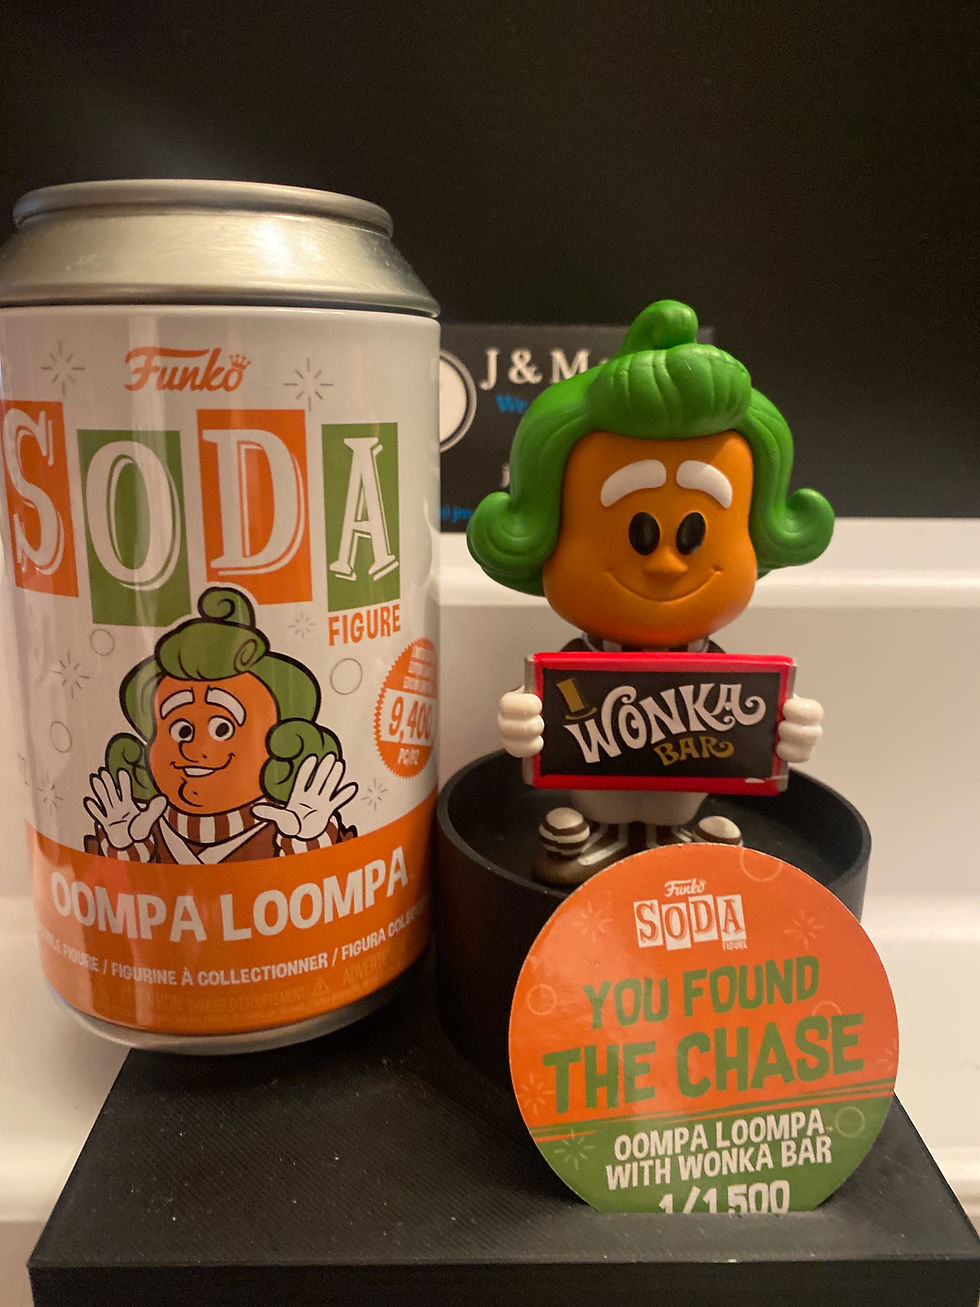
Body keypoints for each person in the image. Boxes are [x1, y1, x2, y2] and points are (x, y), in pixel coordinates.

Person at [467, 299, 832, 884]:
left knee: (678, 797)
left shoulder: (729, 680)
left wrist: (784, 729)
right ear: (546, 534)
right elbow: (547, 715)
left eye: (694, 534)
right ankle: (602, 835)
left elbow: (751, 724)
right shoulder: (574, 670)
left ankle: (672, 837)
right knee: (599, 796)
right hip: (594, 789)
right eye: (639, 533)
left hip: (684, 793)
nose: (665, 562)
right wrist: (524, 722)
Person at [85, 586, 357, 863]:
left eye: (222, 729)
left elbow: (331, 872)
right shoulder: (144, 830)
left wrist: (307, 836)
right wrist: (123, 843)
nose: (194, 750)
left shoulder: (289, 828)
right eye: (182, 730)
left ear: (282, 745)